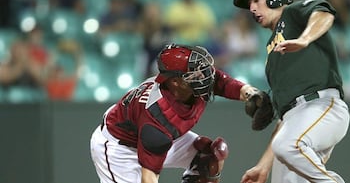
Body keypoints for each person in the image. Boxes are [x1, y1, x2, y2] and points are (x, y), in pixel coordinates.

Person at [233, 0, 350, 183]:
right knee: (285, 154)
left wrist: (304, 39)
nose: (251, 8)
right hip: (294, 119)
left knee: (287, 145)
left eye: (256, 0)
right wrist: (263, 165)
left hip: (322, 105)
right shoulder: (272, 53)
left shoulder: (293, 14)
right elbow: (284, 121)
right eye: (250, 3)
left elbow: (324, 14)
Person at [90, 43, 263, 183]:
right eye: (195, 75)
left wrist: (252, 94)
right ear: (175, 82)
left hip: (148, 137)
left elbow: (222, 82)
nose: (205, 76)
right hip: (120, 150)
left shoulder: (193, 86)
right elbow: (149, 177)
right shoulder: (158, 118)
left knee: (207, 158)